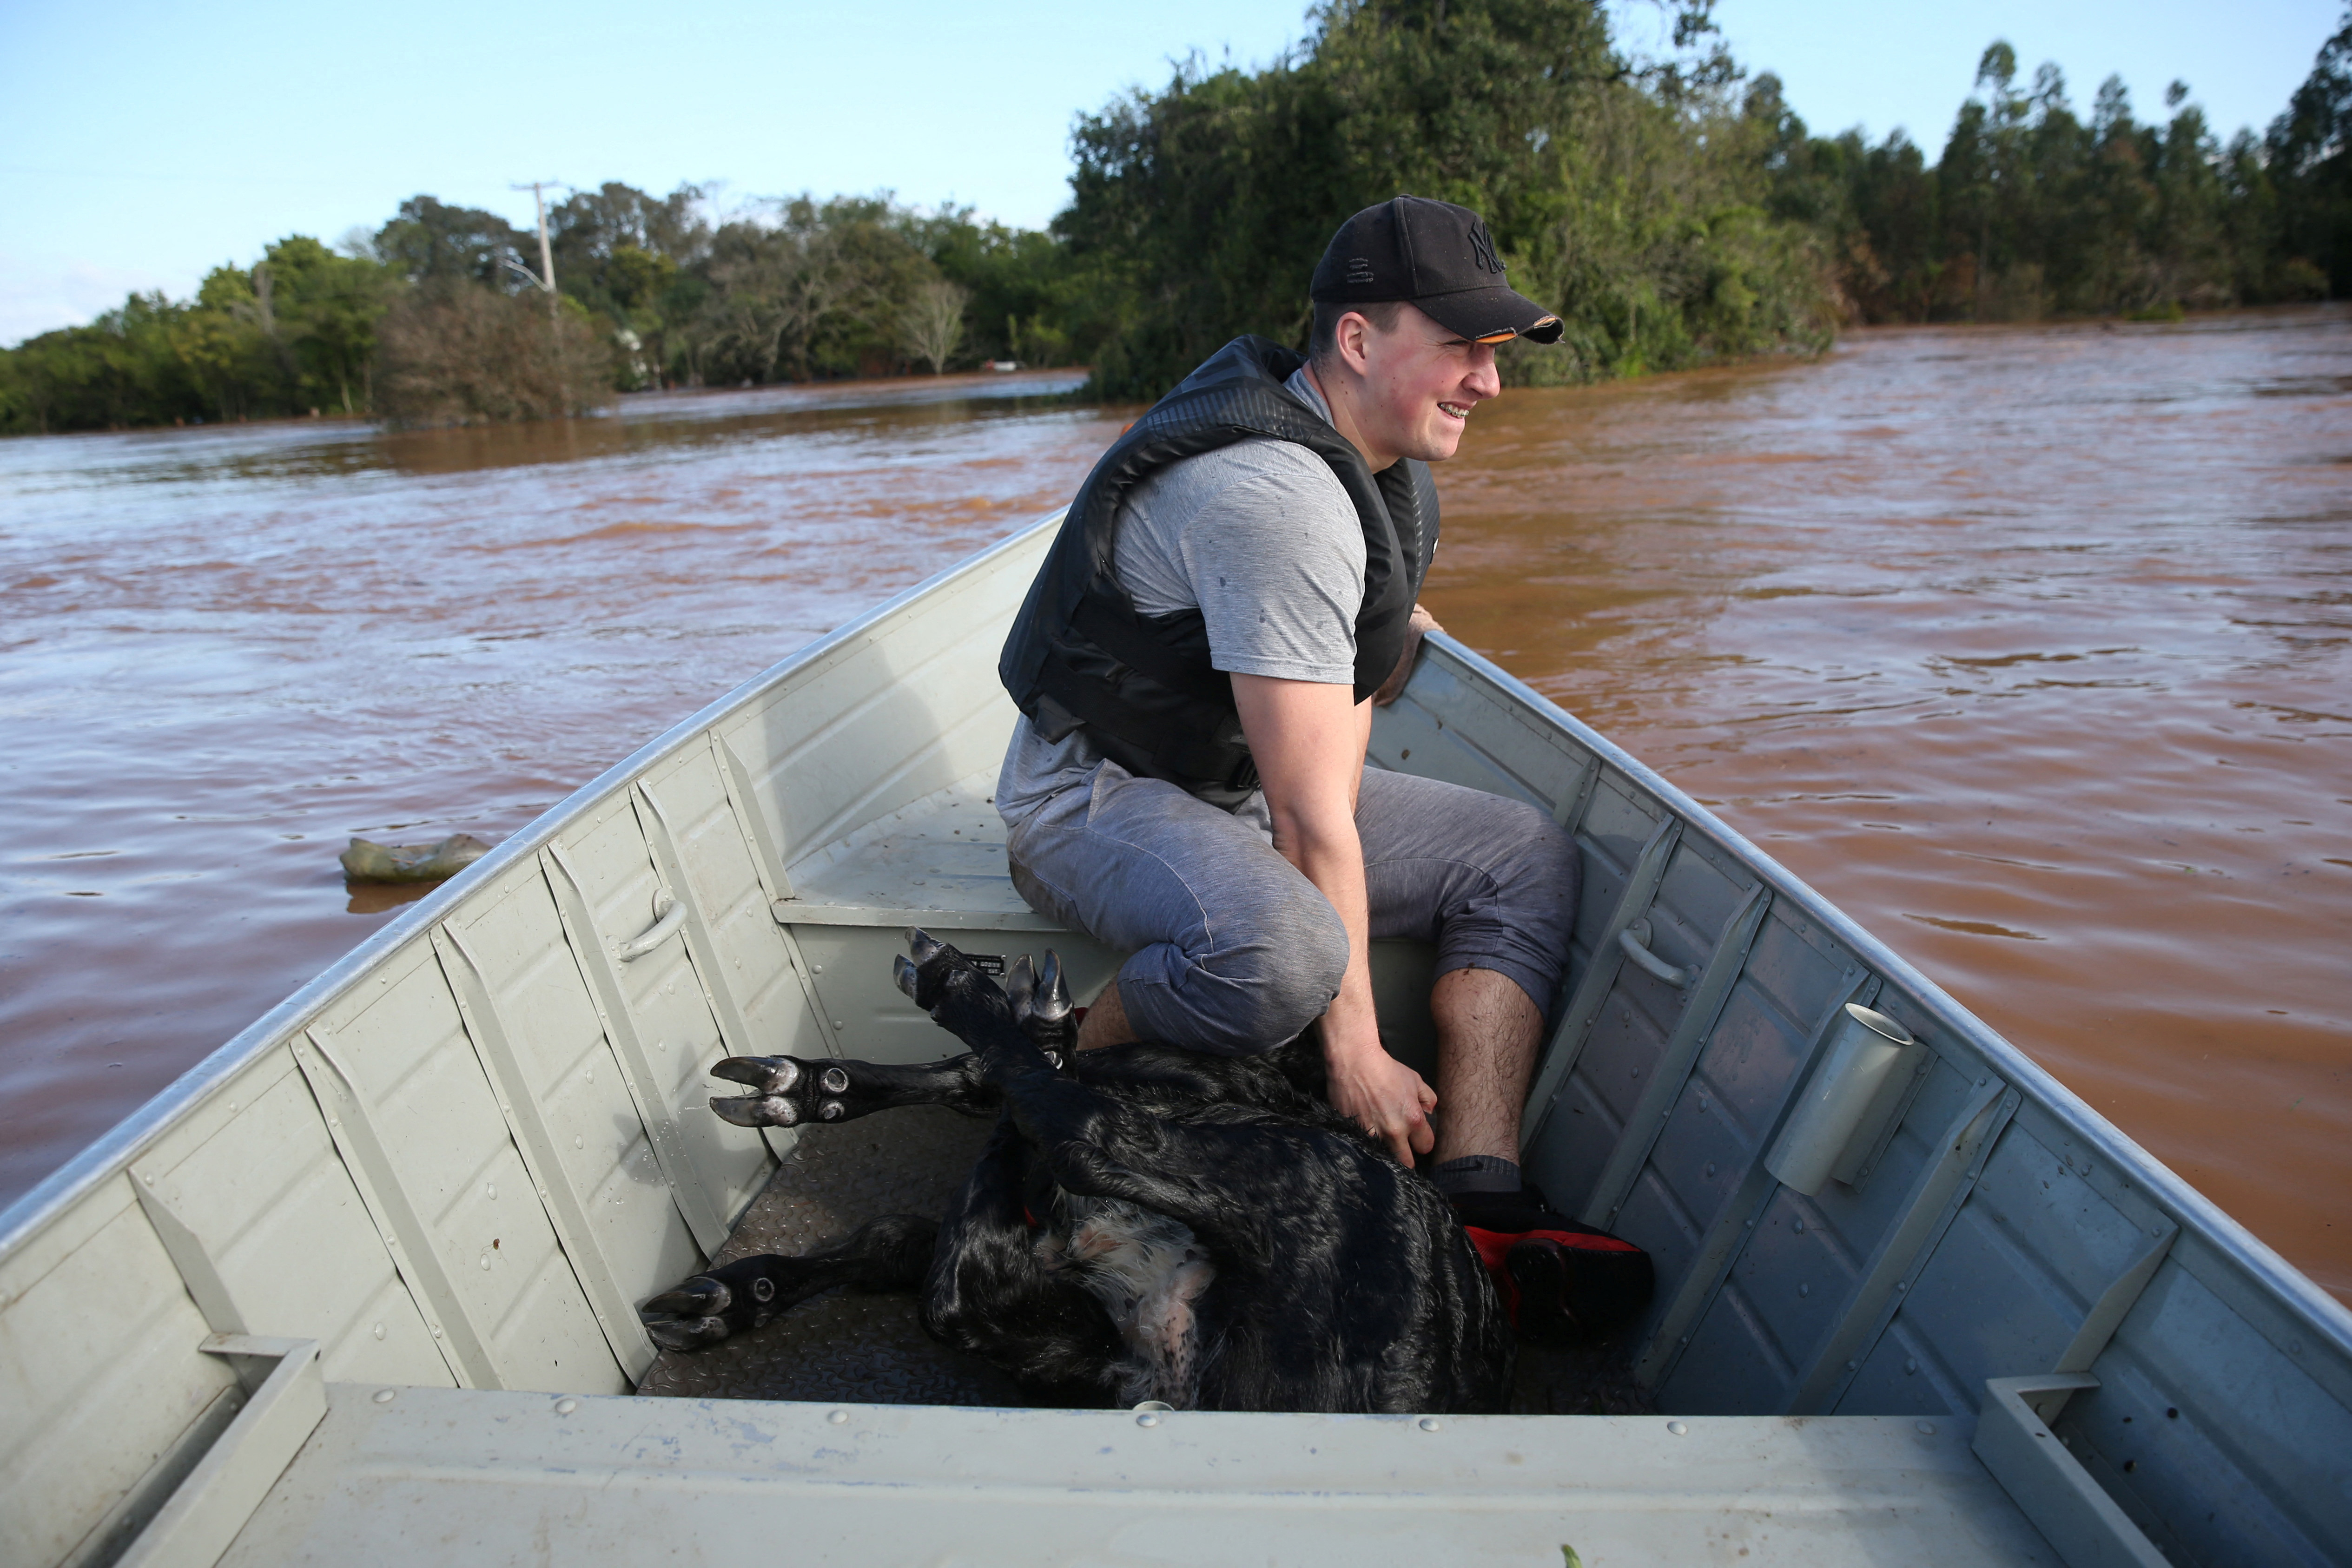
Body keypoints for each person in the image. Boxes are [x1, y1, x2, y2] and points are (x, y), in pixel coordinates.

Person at [995, 197, 1642, 1320]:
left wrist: (1386, 625)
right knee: (1284, 955)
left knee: (1518, 855)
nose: (1487, 382)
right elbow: (1309, 821)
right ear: (1356, 341)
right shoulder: (1278, 502)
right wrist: (1356, 1047)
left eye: (1492, 354)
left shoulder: (1373, 469)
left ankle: (1479, 1195)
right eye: (1459, 348)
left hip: (1238, 786)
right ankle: (1039, 1067)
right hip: (1092, 796)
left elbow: (1330, 735)